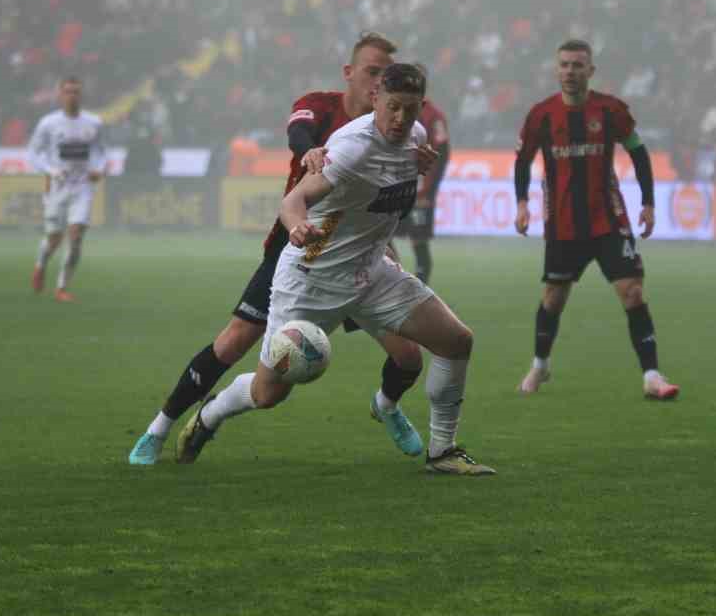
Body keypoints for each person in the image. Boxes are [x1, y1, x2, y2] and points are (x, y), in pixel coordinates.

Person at [129, 33, 435, 466]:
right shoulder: (323, 108)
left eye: (383, 76)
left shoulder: (396, 130)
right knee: (236, 342)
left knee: (408, 356)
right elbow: (299, 129)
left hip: (360, 259)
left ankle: (386, 407)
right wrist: (308, 150)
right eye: (371, 71)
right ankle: (159, 429)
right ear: (351, 73)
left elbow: (385, 199)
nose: (376, 83)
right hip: (302, 249)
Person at [176, 63, 494, 476]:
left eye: (410, 110)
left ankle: (442, 451)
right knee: (268, 392)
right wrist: (297, 228)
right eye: (393, 107)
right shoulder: (351, 148)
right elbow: (293, 202)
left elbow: (384, 187)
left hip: (370, 271)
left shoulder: (415, 138)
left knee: (456, 341)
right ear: (376, 97)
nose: (400, 119)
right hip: (311, 279)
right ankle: (210, 415)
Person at [513, 39, 680, 402]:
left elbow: (638, 152)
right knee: (554, 298)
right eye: (565, 65)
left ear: (591, 70)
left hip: (608, 219)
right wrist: (522, 203)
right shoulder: (541, 115)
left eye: (578, 65)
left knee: (632, 291)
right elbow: (522, 160)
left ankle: (652, 375)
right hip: (563, 224)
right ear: (557, 69)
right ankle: (540, 365)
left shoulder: (610, 110)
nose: (570, 71)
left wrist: (649, 203)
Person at [27, 76, 106, 302]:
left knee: (76, 234)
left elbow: (102, 152)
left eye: (76, 92)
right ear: (60, 95)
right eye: (68, 91)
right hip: (57, 187)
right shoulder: (48, 123)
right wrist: (50, 171)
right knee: (54, 238)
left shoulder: (94, 123)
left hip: (82, 187)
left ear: (81, 95)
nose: (72, 95)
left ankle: (62, 287)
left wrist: (98, 169)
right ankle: (41, 265)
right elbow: (33, 153)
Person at [395, 94, 450, 284]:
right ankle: (394, 282)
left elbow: (442, 152)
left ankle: (419, 290)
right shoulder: (394, 110)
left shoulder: (433, 115)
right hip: (395, 188)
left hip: (420, 192)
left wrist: (429, 190)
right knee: (383, 236)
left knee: (418, 240)